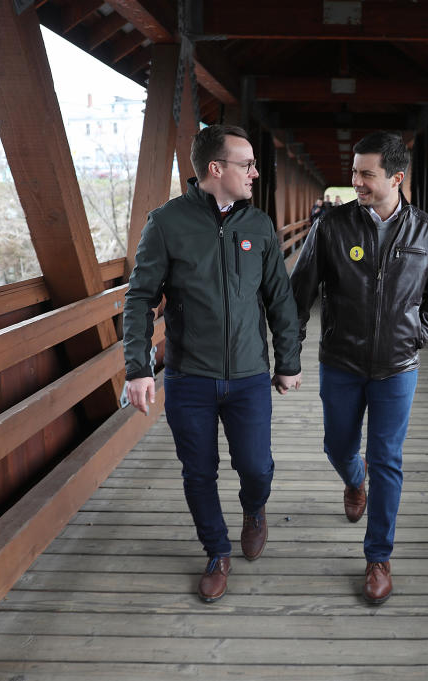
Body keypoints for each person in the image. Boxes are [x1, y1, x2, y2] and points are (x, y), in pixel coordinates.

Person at [122, 124, 302, 603]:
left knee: (256, 467)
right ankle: (216, 551)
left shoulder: (259, 225)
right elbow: (139, 298)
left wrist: (288, 359)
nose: (255, 173)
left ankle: (254, 509)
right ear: (215, 169)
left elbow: (280, 299)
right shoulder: (166, 223)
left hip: (248, 376)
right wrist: (138, 368)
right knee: (198, 472)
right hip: (189, 376)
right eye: (247, 164)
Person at [290, 131, 428, 604]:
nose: (356, 182)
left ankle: (378, 557)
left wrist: (414, 336)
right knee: (337, 446)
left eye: (367, 174)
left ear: (397, 178)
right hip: (340, 361)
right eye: (354, 173)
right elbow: (299, 291)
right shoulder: (332, 226)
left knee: (389, 459)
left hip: (397, 369)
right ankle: (353, 478)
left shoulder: (427, 232)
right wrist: (289, 352)